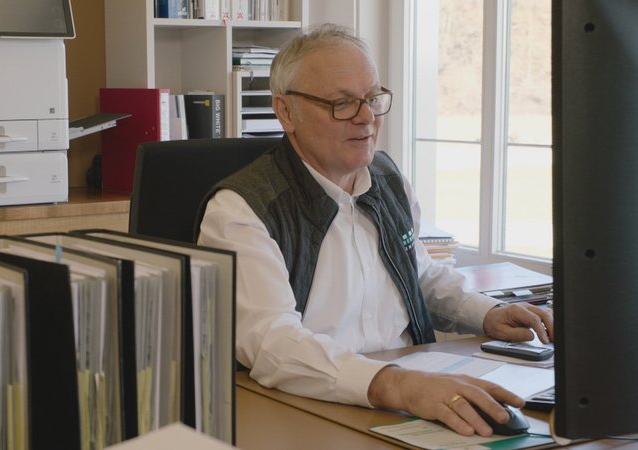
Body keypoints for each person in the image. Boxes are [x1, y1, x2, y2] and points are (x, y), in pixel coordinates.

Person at [196, 23, 553, 437]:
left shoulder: (386, 179)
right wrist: (396, 385)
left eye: (372, 98)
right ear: (285, 111)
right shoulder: (241, 209)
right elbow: (271, 343)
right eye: (342, 104)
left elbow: (419, 275)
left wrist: (486, 314)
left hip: (411, 396)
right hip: (305, 406)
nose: (366, 117)